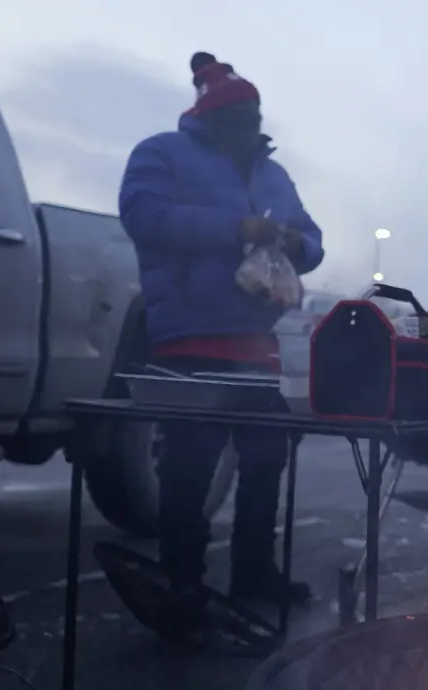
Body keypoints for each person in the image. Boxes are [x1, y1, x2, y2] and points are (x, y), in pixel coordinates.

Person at [118, 52, 324, 614]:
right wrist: (234, 229)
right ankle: (180, 577)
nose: (251, 124)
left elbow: (312, 239)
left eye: (255, 113)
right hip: (189, 335)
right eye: (240, 114)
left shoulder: (272, 172)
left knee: (266, 456)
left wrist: (293, 243)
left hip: (256, 344)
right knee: (189, 461)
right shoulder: (162, 153)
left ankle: (253, 571)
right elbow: (143, 217)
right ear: (211, 115)